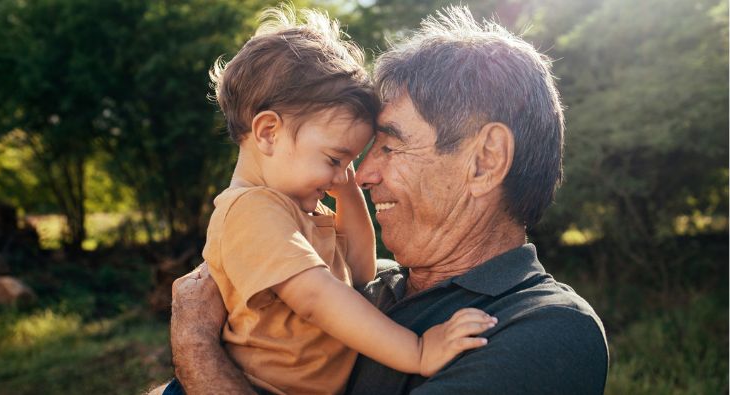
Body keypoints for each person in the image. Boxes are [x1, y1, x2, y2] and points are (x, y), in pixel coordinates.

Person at [165, 5, 609, 395]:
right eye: (346, 154)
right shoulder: (373, 285)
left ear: (485, 161)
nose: (363, 174)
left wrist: (195, 347)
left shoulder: (545, 329)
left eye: (389, 146)